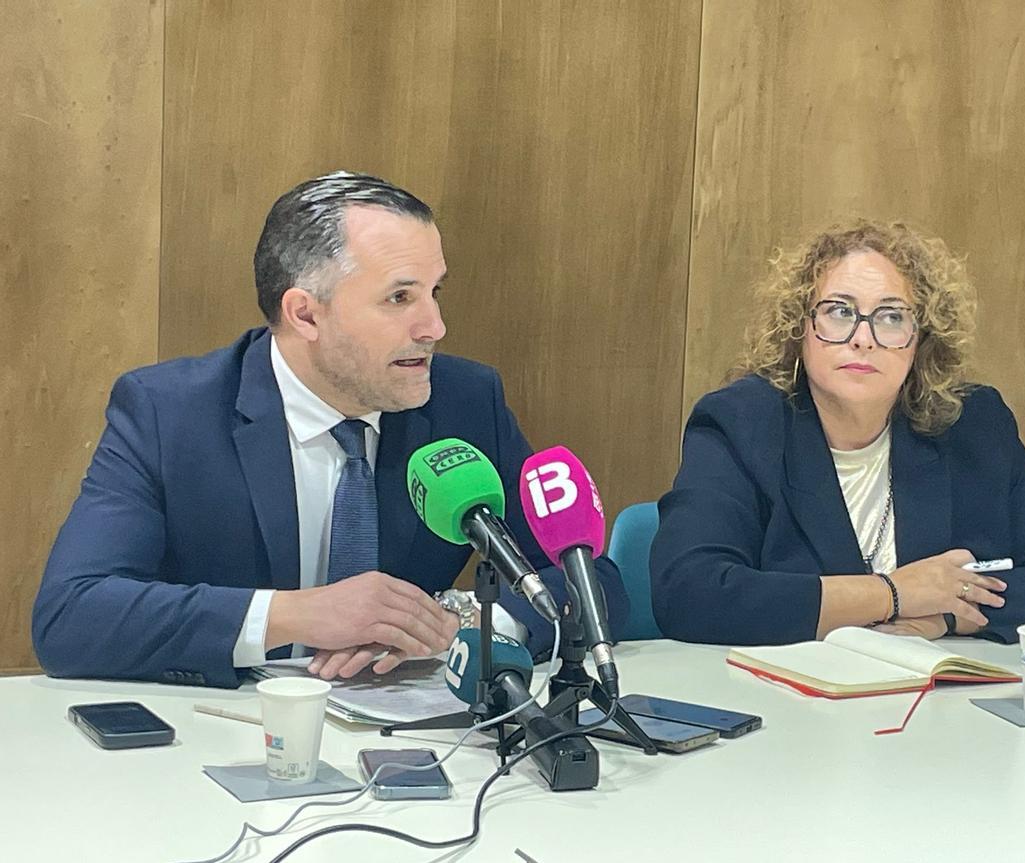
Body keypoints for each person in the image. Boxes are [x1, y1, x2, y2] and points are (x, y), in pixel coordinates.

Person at [33, 171, 627, 688]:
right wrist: (291, 617)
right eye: (399, 297)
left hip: (415, 746)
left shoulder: (465, 402)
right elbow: (71, 615)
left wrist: (471, 626)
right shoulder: (169, 413)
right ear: (305, 313)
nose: (435, 326)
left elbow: (590, 580)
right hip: (218, 741)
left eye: (434, 292)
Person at [650, 219, 1025, 647]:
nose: (863, 338)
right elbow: (690, 594)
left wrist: (947, 615)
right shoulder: (742, 424)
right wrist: (893, 594)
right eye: (838, 312)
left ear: (921, 340)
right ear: (800, 327)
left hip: (938, 709)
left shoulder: (970, 424)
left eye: (891, 317)